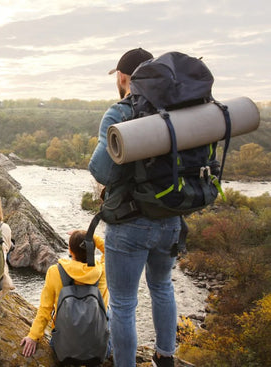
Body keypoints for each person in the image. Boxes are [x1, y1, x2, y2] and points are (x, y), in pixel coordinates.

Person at [88, 48, 181, 367]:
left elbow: (102, 170)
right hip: (171, 217)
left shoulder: (120, 112)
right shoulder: (177, 108)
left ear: (123, 77)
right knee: (162, 285)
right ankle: (165, 356)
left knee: (125, 304)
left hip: (129, 223)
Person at [20, 230, 109, 358]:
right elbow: (110, 250)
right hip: (97, 350)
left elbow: (45, 309)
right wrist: (91, 236)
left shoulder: (55, 271)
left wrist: (33, 336)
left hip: (63, 348)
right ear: (92, 249)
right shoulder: (103, 271)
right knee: (109, 312)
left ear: (70, 250)